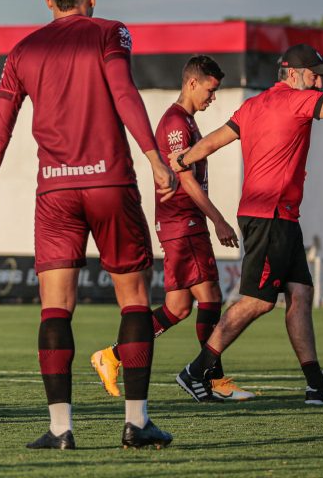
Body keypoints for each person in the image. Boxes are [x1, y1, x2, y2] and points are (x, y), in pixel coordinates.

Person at [0, 0, 177, 450]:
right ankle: (136, 423)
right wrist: (155, 158)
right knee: (135, 300)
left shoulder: (22, 51)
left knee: (55, 309)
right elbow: (124, 93)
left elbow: (0, 133)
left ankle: (61, 430)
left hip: (55, 193)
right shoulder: (110, 32)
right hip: (110, 184)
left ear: (47, 0)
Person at [172, 44, 323, 406]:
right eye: (314, 76)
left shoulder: (253, 106)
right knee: (258, 302)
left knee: (301, 295)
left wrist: (183, 158)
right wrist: (183, 159)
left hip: (281, 217)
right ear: (292, 74)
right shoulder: (297, 101)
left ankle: (315, 386)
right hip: (269, 216)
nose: (318, 84)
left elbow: (213, 141)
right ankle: (196, 371)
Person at [90, 56, 254, 402]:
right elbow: (186, 180)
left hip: (181, 223)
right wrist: (218, 218)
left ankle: (112, 356)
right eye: (210, 90)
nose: (213, 98)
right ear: (192, 83)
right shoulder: (176, 123)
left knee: (178, 308)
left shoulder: (186, 122)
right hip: (184, 222)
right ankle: (212, 379)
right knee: (210, 298)